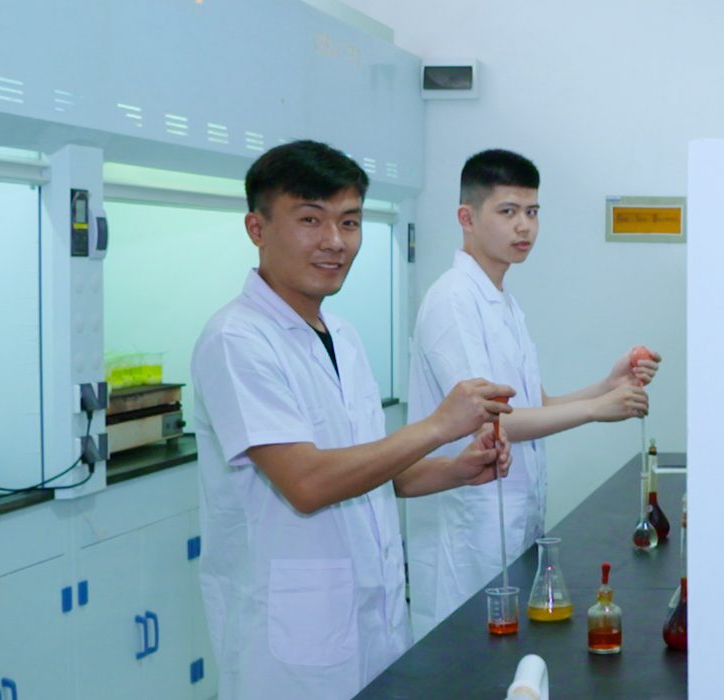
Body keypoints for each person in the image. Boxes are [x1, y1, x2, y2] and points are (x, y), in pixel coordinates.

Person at [191, 140, 515, 700]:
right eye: (310, 220)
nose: (335, 241)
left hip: (373, 621)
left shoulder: (341, 335)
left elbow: (376, 472)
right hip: (291, 649)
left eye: (349, 221)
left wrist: (456, 469)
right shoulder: (236, 339)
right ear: (257, 228)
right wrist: (438, 426)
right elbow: (307, 482)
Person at [405, 149, 657, 638]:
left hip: (510, 525)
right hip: (469, 529)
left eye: (532, 212)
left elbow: (533, 408)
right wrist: (596, 409)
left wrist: (607, 386)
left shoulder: (503, 302)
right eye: (508, 211)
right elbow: (489, 420)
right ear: (466, 218)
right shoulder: (453, 300)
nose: (524, 226)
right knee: (466, 658)